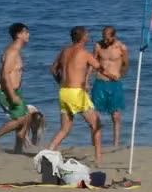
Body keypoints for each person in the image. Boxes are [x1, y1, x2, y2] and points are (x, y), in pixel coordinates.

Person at [48, 26, 112, 166]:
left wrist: (61, 81)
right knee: (97, 124)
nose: (89, 36)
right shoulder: (84, 53)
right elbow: (99, 68)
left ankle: (49, 151)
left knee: (65, 129)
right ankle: (98, 159)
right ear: (83, 37)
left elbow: (53, 68)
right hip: (77, 94)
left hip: (63, 92)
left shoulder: (65, 51)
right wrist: (114, 76)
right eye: (87, 34)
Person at [0, 23, 31, 153]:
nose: (28, 35)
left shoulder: (17, 52)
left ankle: (18, 149)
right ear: (19, 34)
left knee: (27, 117)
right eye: (26, 32)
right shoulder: (12, 52)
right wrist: (12, 95)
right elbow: (4, 75)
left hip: (14, 90)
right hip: (5, 92)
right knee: (19, 120)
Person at [87, 26, 129, 148]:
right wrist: (87, 80)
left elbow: (126, 64)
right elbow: (92, 63)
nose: (104, 41)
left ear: (113, 36)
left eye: (107, 38)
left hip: (115, 84)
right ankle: (95, 143)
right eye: (103, 37)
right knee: (94, 114)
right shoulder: (98, 46)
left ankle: (115, 144)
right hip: (100, 82)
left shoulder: (121, 47)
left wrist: (120, 75)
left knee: (116, 116)